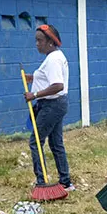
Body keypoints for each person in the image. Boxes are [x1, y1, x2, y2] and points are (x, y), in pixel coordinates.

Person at [24, 24, 74, 191]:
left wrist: (35, 94)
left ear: (50, 42)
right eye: (36, 40)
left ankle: (42, 182)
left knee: (36, 142)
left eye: (40, 41)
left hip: (51, 106)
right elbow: (50, 79)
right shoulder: (56, 56)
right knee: (56, 143)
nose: (37, 44)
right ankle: (66, 182)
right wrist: (34, 77)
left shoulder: (53, 60)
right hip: (58, 104)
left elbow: (58, 85)